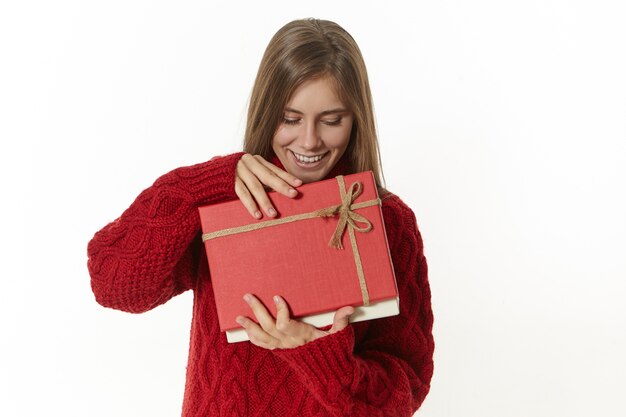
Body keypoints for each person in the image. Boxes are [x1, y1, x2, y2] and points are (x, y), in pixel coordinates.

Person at [87, 18, 434, 416]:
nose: (309, 141)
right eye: (290, 118)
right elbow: (113, 284)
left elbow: (406, 389)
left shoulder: (387, 221)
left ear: (356, 120)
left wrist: (316, 352)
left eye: (332, 120)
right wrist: (203, 184)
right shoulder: (220, 204)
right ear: (266, 112)